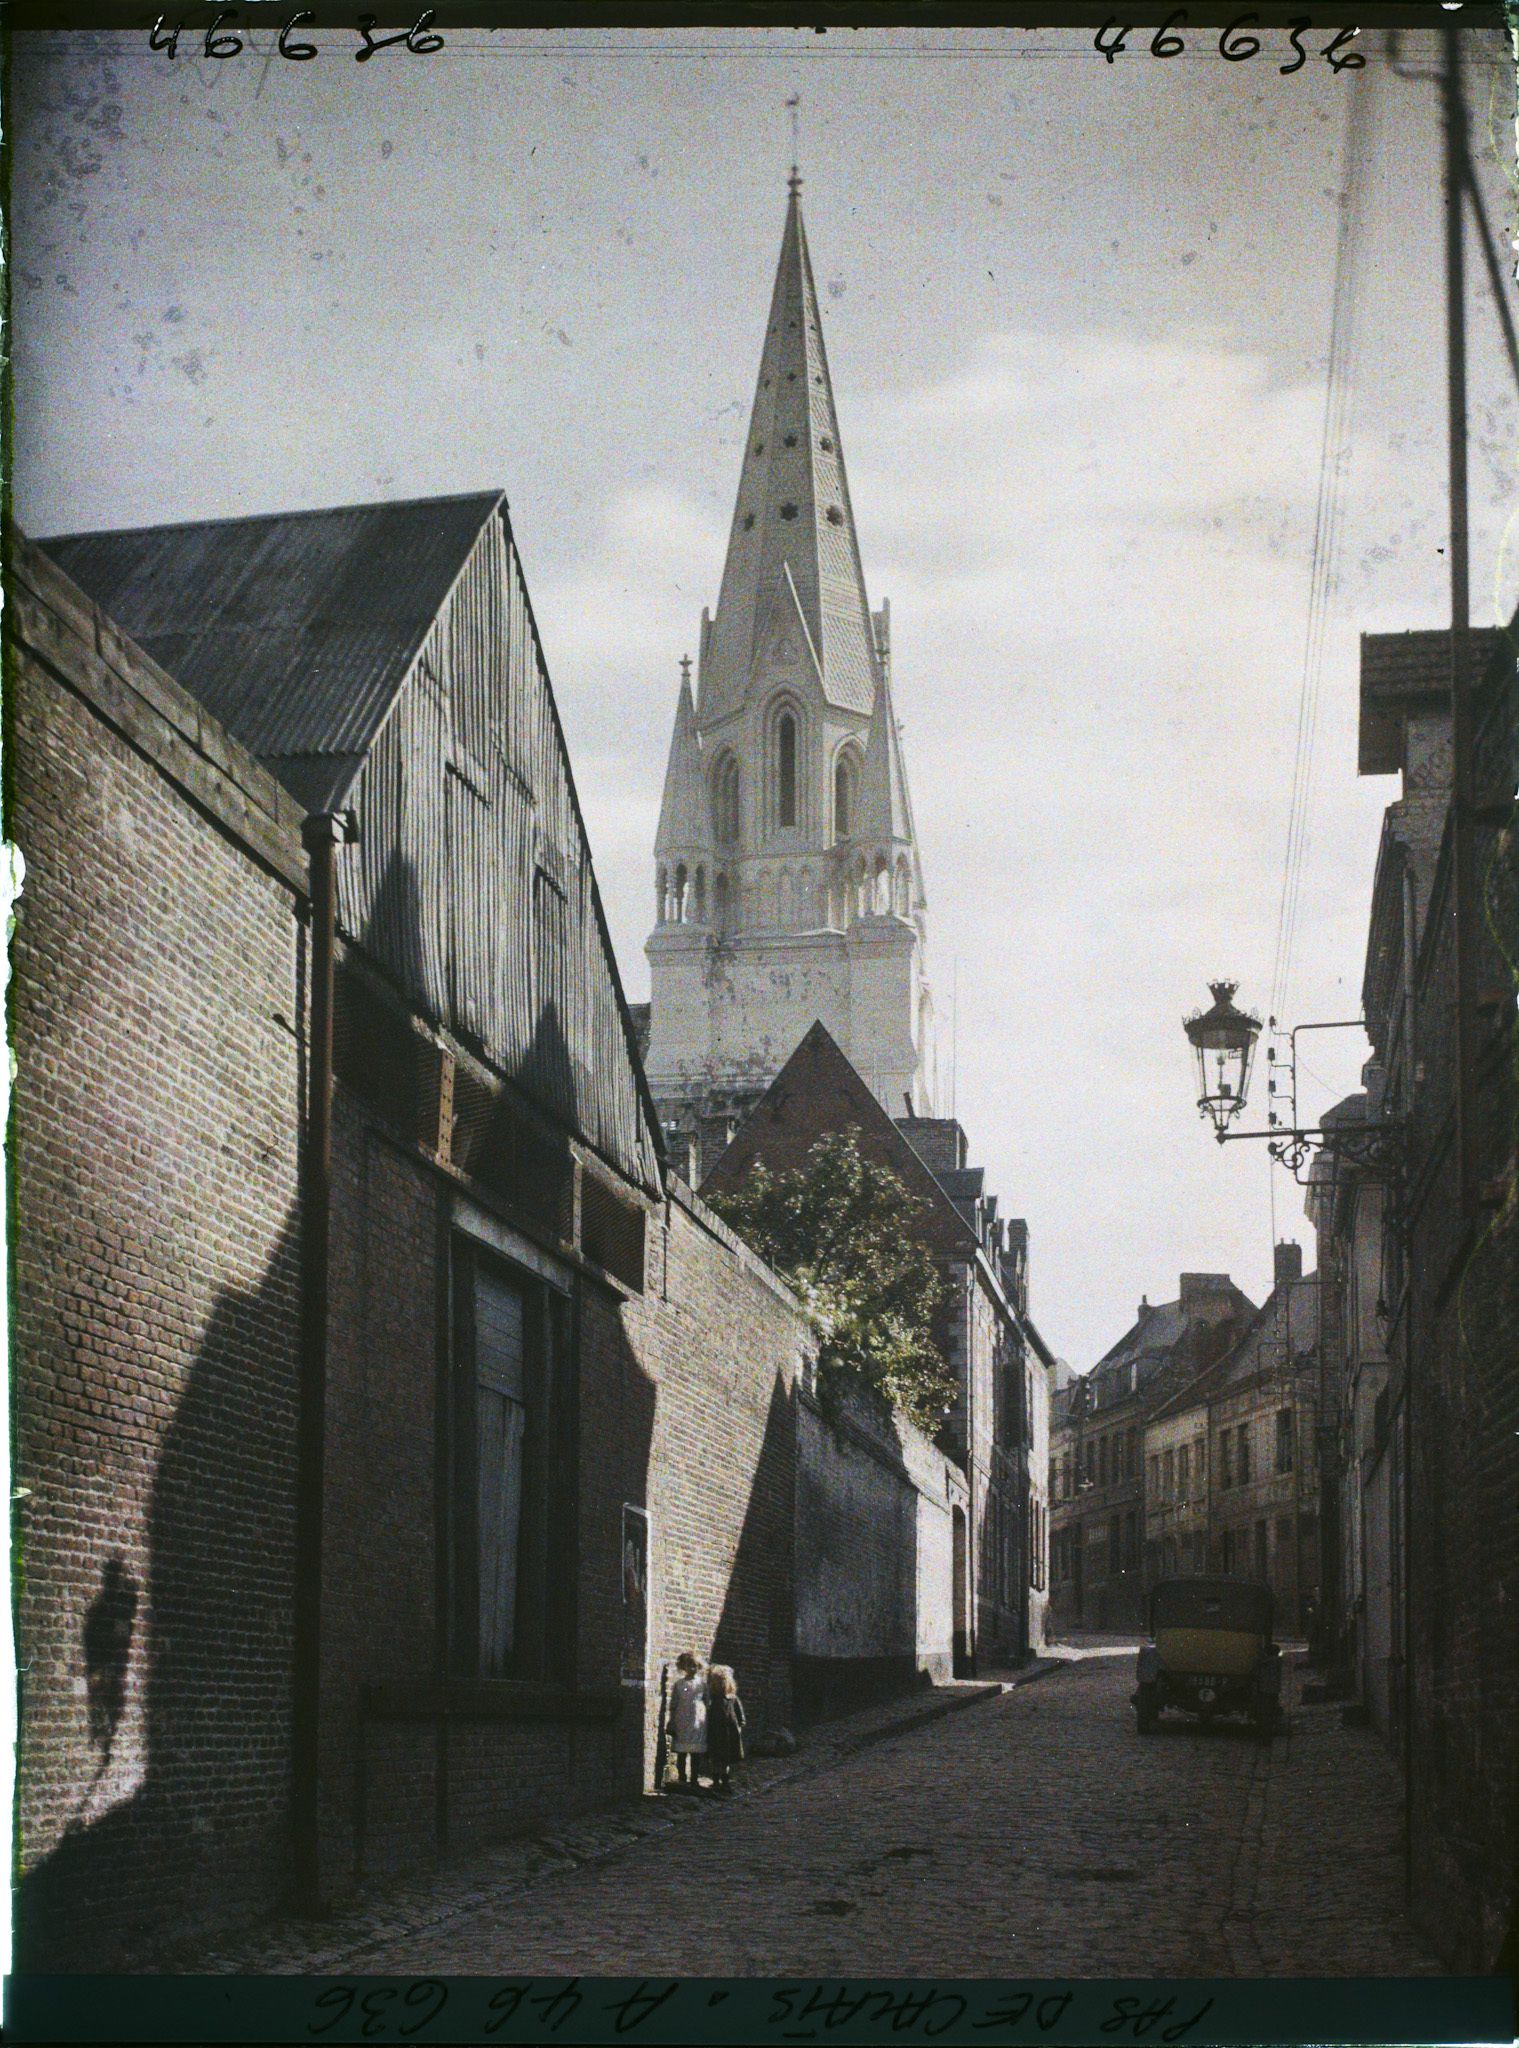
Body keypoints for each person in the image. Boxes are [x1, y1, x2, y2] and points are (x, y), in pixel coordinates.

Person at [666, 1651, 708, 1790]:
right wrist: (672, 1720)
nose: (692, 1669)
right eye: (689, 1666)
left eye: (695, 1666)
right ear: (683, 1667)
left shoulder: (702, 1684)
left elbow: (707, 1701)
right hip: (682, 1718)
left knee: (696, 1750)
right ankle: (682, 1776)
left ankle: (694, 1778)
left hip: (697, 1719)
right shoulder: (679, 1684)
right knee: (682, 1750)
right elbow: (674, 1703)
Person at [705, 1664, 746, 1794]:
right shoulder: (712, 1699)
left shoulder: (732, 1699)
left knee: (725, 1759)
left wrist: (739, 1725)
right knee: (716, 1757)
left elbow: (739, 1715)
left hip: (729, 1733)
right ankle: (716, 1780)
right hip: (715, 1732)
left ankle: (725, 1781)